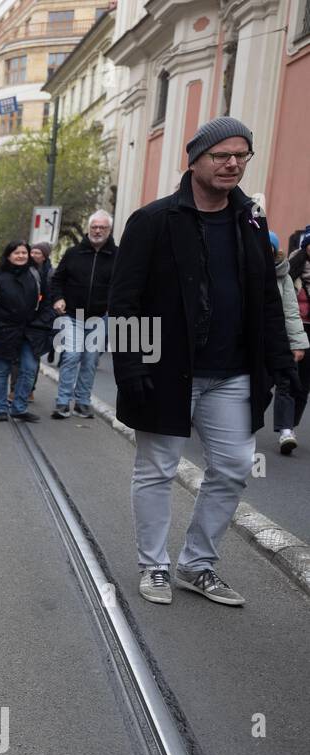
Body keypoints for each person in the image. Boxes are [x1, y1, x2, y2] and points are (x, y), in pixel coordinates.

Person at [110, 116, 299, 607]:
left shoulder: (251, 220)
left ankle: (197, 564)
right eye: (221, 155)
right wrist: (131, 368)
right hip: (166, 370)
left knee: (235, 466)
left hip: (233, 372)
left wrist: (282, 364)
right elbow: (125, 301)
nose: (232, 163)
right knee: (157, 469)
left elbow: (264, 297)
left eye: (241, 155)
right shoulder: (154, 220)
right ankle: (153, 566)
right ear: (194, 160)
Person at [50, 211, 117, 418]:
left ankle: (82, 401)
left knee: (90, 361)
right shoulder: (73, 253)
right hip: (72, 315)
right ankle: (62, 401)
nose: (97, 231)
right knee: (71, 356)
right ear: (89, 229)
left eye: (102, 227)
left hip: (99, 317)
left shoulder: (118, 255)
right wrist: (58, 298)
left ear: (109, 230)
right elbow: (56, 280)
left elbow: (123, 286)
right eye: (94, 227)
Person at [0, 240, 50, 422]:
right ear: (9, 255)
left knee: (29, 369)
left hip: (30, 330)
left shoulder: (35, 275)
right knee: (1, 371)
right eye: (16, 253)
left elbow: (45, 301)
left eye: (24, 253)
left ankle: (19, 407)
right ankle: (1, 408)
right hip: (3, 330)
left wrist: (43, 322)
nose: (21, 256)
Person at [271, 231, 309, 453]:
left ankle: (287, 429)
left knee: (293, 383)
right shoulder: (292, 269)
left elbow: (290, 311)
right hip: (263, 337)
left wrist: (297, 343)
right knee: (260, 385)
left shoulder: (282, 275)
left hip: (289, 335)